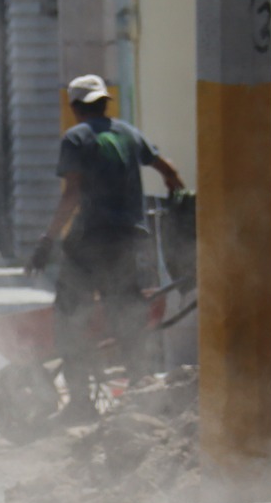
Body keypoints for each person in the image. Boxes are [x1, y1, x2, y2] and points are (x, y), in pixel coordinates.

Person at [23, 74, 184, 421]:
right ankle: (140, 398)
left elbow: (72, 194)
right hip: (126, 242)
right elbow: (169, 171)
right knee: (126, 317)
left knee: (69, 321)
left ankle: (80, 404)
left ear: (75, 106)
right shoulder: (128, 133)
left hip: (88, 244)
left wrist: (47, 241)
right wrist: (178, 199)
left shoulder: (76, 139)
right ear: (103, 103)